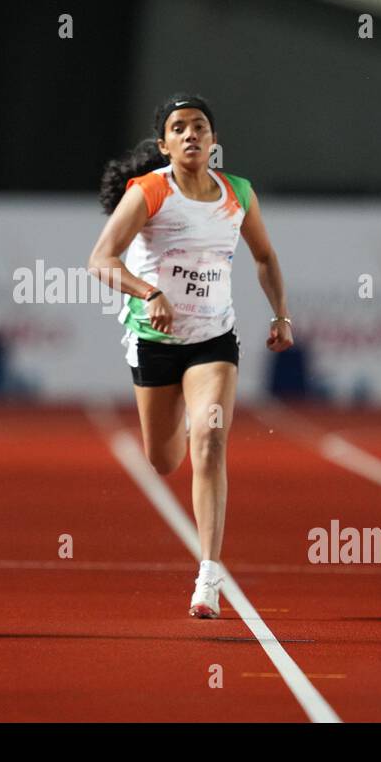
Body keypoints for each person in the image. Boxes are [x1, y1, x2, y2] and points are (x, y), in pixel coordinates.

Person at [88, 94, 293, 618]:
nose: (190, 134)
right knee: (164, 460)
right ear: (164, 144)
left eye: (199, 126)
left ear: (213, 140)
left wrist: (280, 315)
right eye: (178, 128)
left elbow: (265, 256)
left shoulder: (238, 194)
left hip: (213, 341)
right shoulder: (151, 190)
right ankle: (180, 421)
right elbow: (100, 260)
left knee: (210, 440)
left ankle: (208, 574)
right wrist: (148, 292)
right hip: (154, 342)